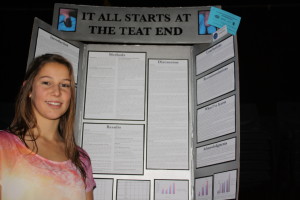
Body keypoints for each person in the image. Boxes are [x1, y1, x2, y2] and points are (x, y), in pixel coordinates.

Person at [0, 54, 96, 200]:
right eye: (46, 82)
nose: (57, 92)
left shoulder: (81, 159)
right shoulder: (3, 145)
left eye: (64, 85)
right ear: (29, 89)